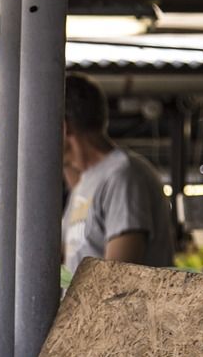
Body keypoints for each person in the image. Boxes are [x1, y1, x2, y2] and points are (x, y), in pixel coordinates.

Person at [61, 73, 174, 274]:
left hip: (113, 307)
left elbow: (116, 279)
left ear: (64, 127)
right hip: (86, 307)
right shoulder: (84, 183)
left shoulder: (122, 176)